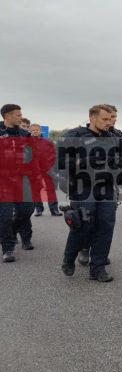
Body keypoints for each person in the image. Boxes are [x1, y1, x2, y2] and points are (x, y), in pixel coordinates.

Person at [59, 105, 118, 282]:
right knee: (83, 225)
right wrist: (85, 161)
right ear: (92, 118)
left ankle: (98, 269)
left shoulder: (113, 137)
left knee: (105, 226)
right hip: (82, 186)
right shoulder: (75, 135)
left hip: (106, 187)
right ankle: (69, 259)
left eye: (110, 119)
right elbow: (61, 161)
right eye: (105, 119)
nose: (109, 123)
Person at [0, 104, 36, 262]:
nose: (21, 117)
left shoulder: (24, 134)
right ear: (7, 116)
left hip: (23, 179)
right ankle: (8, 248)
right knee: (5, 216)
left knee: (27, 210)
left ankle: (12, 232)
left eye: (21, 115)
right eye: (18, 115)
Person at [28, 123, 62, 217]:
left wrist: (53, 168)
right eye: (33, 130)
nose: (35, 131)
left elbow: (54, 155)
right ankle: (39, 210)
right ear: (30, 131)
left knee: (51, 189)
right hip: (34, 170)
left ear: (40, 131)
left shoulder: (48, 142)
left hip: (47, 169)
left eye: (37, 130)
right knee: (35, 189)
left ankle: (54, 209)